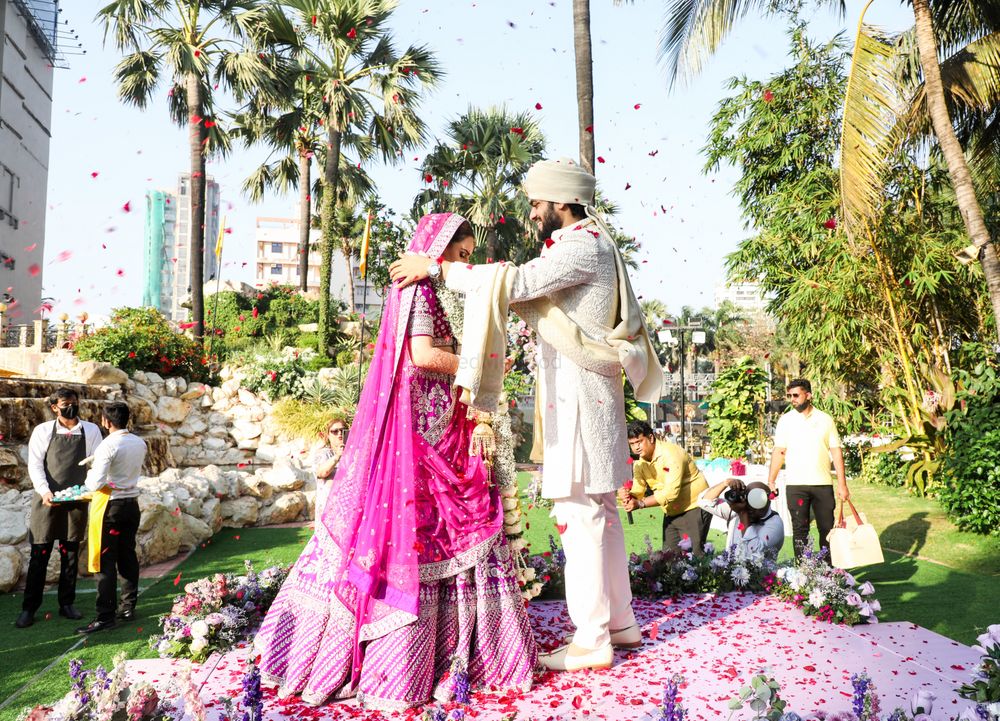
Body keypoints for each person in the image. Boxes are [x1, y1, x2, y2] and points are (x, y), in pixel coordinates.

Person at [389, 158, 663, 673]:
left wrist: (436, 267)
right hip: (589, 398)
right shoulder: (591, 244)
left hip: (581, 401)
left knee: (578, 515)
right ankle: (620, 623)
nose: (533, 212)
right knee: (600, 513)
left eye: (538, 203)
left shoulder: (583, 246)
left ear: (562, 202)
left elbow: (514, 283)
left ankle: (591, 639)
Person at [255, 214, 536, 711]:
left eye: (470, 255)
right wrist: (487, 365)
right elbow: (424, 355)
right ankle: (398, 662)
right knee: (413, 533)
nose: (465, 263)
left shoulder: (438, 288)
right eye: (462, 253)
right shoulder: (420, 290)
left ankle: (459, 652)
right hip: (421, 438)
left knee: (448, 531)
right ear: (439, 249)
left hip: (444, 427)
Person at [16, 388, 103, 629]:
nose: (71, 407)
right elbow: (35, 465)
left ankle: (67, 604)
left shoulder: (92, 430)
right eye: (66, 403)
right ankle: (29, 608)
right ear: (55, 407)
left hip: (76, 499)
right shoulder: (43, 431)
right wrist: (45, 491)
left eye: (74, 402)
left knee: (70, 554)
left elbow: (96, 463)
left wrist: (87, 490)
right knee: (39, 554)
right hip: (46, 500)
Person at [77, 401, 146, 633]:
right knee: (127, 555)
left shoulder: (107, 445)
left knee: (104, 560)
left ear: (106, 422)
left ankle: (105, 616)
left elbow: (95, 483)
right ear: (127, 419)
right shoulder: (140, 443)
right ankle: (128, 607)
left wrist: (90, 474)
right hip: (131, 505)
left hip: (110, 506)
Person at [767, 379, 849, 558]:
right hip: (796, 486)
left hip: (822, 484)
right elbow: (779, 452)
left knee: (827, 530)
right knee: (800, 531)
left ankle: (828, 573)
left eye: (796, 395)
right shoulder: (785, 421)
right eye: (789, 396)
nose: (792, 399)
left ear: (808, 395)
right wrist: (771, 481)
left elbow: (836, 452)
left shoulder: (825, 420)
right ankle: (804, 573)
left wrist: (842, 485)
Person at [620, 420, 711, 556]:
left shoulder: (671, 453)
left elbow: (670, 493)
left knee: (694, 558)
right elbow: (639, 491)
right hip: (672, 511)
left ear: (651, 438)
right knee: (669, 560)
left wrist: (640, 503)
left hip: (694, 506)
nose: (636, 447)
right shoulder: (639, 463)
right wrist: (629, 495)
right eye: (632, 444)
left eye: (639, 441)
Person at [697, 478, 784, 555]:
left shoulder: (775, 523)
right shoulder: (740, 508)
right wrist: (726, 483)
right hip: (731, 570)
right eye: (747, 498)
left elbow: (754, 552)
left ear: (768, 501)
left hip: (758, 573)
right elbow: (704, 502)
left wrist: (743, 513)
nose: (750, 507)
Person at [311, 417, 347, 515]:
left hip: (347, 504)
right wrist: (338, 456)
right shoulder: (322, 454)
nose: (339, 434)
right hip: (328, 507)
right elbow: (322, 473)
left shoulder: (353, 454)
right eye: (335, 431)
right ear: (328, 435)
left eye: (343, 430)